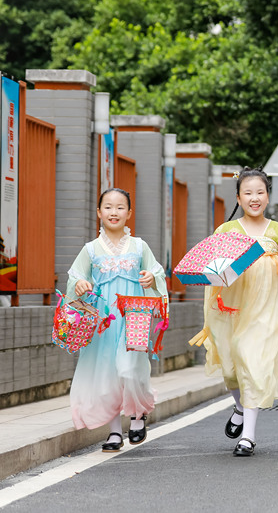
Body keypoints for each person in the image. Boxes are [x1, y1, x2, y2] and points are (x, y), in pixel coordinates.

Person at [192, 168, 278, 456]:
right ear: (238, 197)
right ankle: (239, 407)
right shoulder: (225, 231)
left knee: (251, 357)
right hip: (231, 307)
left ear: (267, 196)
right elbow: (212, 273)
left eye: (260, 192)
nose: (254, 198)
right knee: (231, 367)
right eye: (248, 193)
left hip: (266, 309)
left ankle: (247, 437)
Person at [67, 188, 168, 451]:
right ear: (99, 212)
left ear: (129, 213)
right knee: (107, 373)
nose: (114, 212)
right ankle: (114, 432)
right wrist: (79, 283)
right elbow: (74, 276)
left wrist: (151, 278)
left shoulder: (139, 246)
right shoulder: (90, 250)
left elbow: (157, 273)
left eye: (120, 207)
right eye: (108, 207)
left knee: (129, 367)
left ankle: (137, 415)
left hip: (134, 316)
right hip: (104, 319)